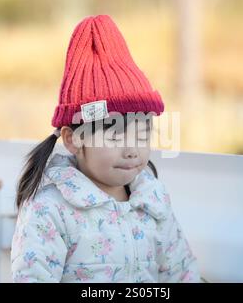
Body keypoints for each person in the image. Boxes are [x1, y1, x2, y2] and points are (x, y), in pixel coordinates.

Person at [11, 14, 201, 283]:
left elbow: (181, 273)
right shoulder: (50, 210)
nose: (132, 150)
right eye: (114, 135)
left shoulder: (152, 199)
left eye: (143, 133)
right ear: (73, 139)